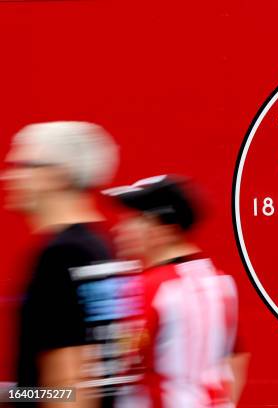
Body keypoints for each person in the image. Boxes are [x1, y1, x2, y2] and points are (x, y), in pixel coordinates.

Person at [105, 175, 248, 408]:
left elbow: (111, 369)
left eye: (134, 219)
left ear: (166, 229)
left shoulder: (147, 287)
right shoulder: (220, 283)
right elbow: (237, 356)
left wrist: (30, 393)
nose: (118, 228)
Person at [2, 121, 119, 404]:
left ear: (60, 175)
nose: (8, 176)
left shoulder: (60, 255)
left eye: (24, 166)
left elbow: (68, 386)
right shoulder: (100, 248)